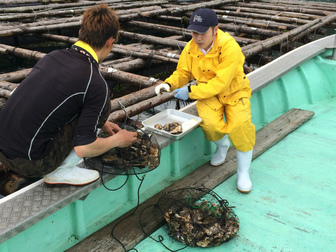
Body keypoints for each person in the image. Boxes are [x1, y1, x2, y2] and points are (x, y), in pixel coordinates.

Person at [0, 4, 137, 194]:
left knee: (83, 104)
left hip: (3, 148)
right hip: (30, 163)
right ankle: (60, 172)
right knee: (101, 105)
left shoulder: (53, 56)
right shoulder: (94, 81)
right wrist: (118, 140)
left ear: (80, 32)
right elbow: (84, 148)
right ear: (110, 42)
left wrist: (102, 123)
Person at [155, 8, 256, 193]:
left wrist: (190, 91)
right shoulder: (190, 47)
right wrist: (168, 84)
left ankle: (243, 172)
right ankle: (223, 146)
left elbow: (221, 83)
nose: (197, 37)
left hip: (234, 91)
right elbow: (183, 72)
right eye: (194, 32)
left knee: (241, 126)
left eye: (202, 33)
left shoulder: (229, 46)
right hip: (207, 93)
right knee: (210, 125)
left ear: (215, 29)